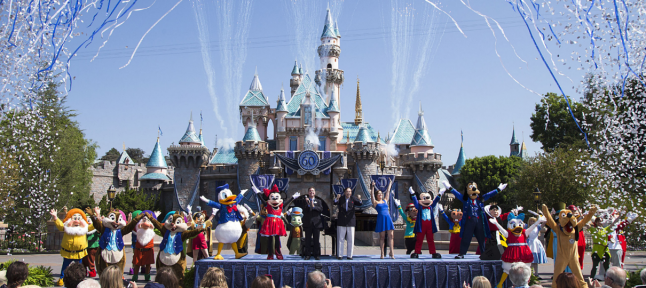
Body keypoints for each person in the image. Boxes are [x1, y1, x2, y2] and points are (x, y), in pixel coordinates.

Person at [444, 181, 507, 259]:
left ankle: (484, 254)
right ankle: (462, 253)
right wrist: (450, 188)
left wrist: (498, 189)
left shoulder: (480, 199)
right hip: (469, 222)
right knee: (466, 238)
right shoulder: (466, 200)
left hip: (479, 222)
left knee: (481, 239)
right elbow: (457, 194)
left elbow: (489, 194)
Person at [50, 208, 94, 286]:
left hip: (79, 253)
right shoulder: (67, 228)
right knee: (65, 267)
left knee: (79, 268)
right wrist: (55, 217)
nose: (76, 221)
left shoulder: (84, 228)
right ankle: (62, 279)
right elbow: (60, 226)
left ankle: (80, 279)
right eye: (74, 218)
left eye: (79, 218)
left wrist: (96, 216)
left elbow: (94, 226)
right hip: (68, 252)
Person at [334, 187, 362, 260]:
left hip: (350, 221)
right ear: (344, 192)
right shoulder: (341, 198)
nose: (348, 193)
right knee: (340, 238)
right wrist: (337, 198)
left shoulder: (353, 199)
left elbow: (359, 204)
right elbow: (335, 202)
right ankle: (340, 255)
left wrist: (359, 199)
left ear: (351, 193)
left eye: (349, 191)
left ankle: (350, 255)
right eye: (347, 191)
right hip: (342, 220)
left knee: (351, 239)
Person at [370, 179, 395, 259]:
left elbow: (388, 192)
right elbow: (372, 196)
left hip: (388, 219)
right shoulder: (376, 202)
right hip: (381, 220)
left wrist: (390, 183)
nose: (380, 195)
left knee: (391, 235)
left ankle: (392, 252)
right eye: (379, 194)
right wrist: (373, 187)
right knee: (382, 237)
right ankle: (382, 253)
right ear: (377, 195)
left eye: (381, 193)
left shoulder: (385, 201)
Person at [299, 187, 324, 260]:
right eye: (310, 191)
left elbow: (320, 209)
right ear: (308, 193)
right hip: (308, 223)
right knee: (307, 240)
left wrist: (313, 207)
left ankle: (316, 255)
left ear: (315, 192)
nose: (311, 192)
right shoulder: (305, 201)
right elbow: (305, 210)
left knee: (316, 240)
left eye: (312, 191)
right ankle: (307, 254)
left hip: (316, 223)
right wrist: (308, 204)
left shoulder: (318, 201)